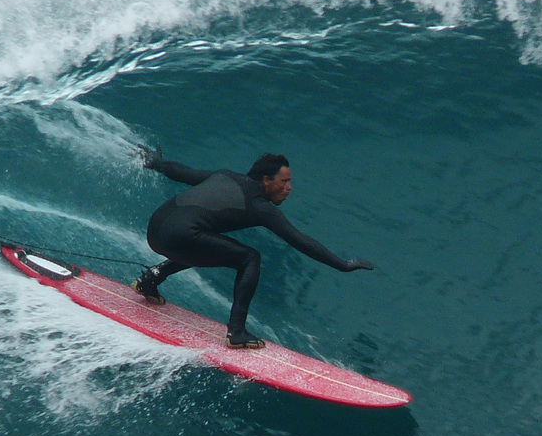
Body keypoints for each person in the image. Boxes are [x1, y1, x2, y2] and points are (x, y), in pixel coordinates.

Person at [133, 147, 374, 348]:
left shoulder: (224, 175)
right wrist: (342, 265)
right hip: (179, 237)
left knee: (206, 241)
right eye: (285, 182)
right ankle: (236, 333)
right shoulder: (259, 206)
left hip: (156, 227)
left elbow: (182, 172)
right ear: (266, 181)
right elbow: (300, 240)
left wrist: (155, 162)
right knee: (249, 258)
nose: (289, 188)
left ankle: (151, 279)